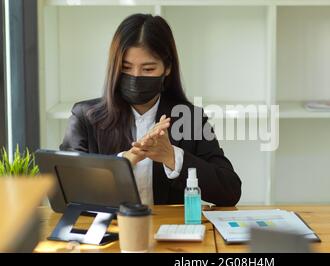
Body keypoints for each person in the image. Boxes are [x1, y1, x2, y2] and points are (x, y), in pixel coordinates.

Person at [60, 14, 241, 206]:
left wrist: (172, 156)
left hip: (170, 232)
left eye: (148, 69)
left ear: (167, 68)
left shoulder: (190, 118)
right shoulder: (85, 117)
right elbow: (64, 192)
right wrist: (127, 160)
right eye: (126, 67)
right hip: (112, 233)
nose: (136, 76)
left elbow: (229, 191)